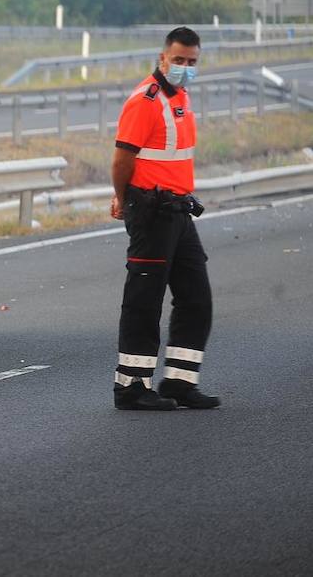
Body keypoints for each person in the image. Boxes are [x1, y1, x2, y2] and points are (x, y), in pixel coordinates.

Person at [109, 26, 220, 411]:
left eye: (192, 62)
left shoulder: (181, 97)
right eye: (179, 61)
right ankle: (131, 387)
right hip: (151, 211)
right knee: (144, 299)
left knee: (196, 298)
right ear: (162, 58)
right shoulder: (146, 100)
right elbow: (123, 159)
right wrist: (124, 200)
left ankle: (179, 381)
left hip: (179, 210)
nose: (185, 68)